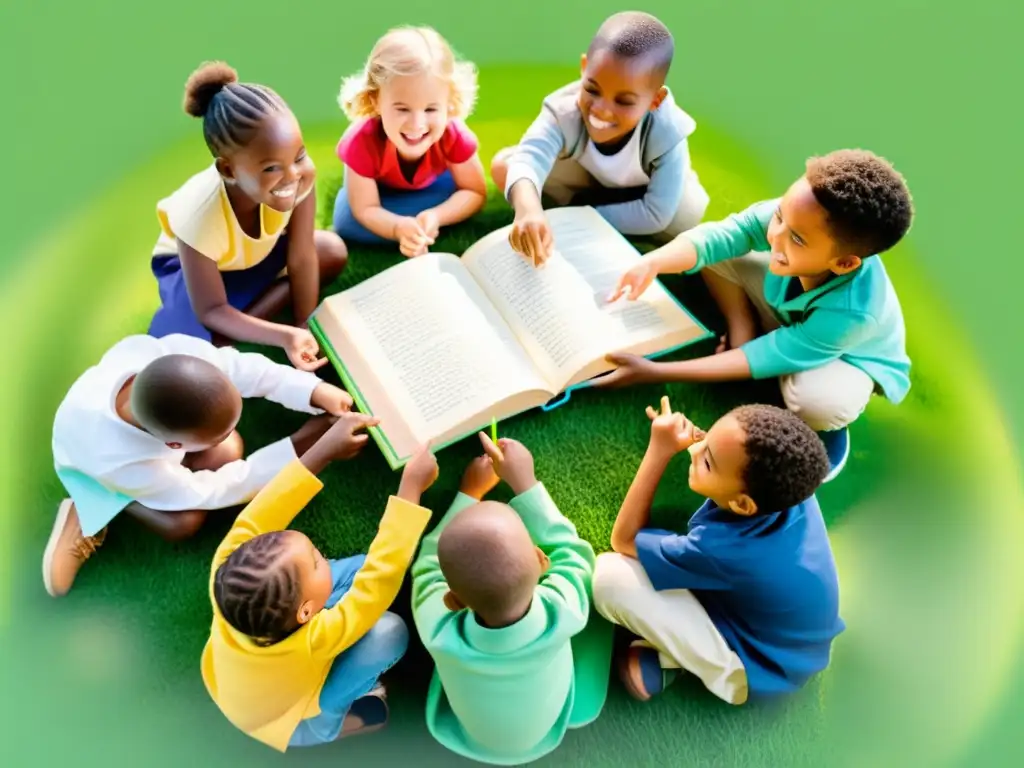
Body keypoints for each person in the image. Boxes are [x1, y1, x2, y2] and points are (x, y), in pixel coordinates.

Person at [600, 149, 915, 479]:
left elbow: (770, 355)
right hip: (794, 320)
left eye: (796, 238)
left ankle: (785, 370)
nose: (773, 234)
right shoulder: (798, 216)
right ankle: (742, 326)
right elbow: (720, 237)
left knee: (818, 403)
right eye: (779, 215)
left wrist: (655, 371)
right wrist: (653, 262)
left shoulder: (855, 314)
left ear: (845, 263)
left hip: (845, 355)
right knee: (717, 249)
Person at [44, 333, 355, 597]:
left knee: (229, 449)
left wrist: (313, 391)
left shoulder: (168, 354)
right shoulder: (120, 461)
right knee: (182, 523)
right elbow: (213, 490)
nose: (229, 430)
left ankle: (104, 500)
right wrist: (304, 447)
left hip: (143, 449)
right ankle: (94, 505)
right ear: (175, 445)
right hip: (93, 468)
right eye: (213, 435)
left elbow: (242, 368)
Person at [592, 397, 844, 704]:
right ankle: (680, 653)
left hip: (760, 665)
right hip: (783, 632)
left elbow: (625, 539)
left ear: (742, 504)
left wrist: (659, 450)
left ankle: (706, 667)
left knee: (610, 578)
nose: (696, 449)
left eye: (707, 462)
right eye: (707, 436)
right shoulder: (783, 488)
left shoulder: (724, 549)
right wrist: (706, 448)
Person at [202, 426, 439, 751]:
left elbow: (265, 509)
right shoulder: (315, 639)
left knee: (356, 568)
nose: (323, 555)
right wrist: (411, 489)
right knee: (388, 632)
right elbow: (378, 581)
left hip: (245, 682)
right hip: (290, 719)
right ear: (306, 612)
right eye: (316, 560)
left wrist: (324, 449)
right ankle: (334, 724)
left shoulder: (228, 566)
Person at [410, 433, 596, 765]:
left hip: (471, 734)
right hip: (545, 728)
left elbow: (426, 566)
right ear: (541, 560)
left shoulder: (436, 626)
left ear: (453, 600)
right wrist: (525, 483)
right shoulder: (566, 608)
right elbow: (573, 553)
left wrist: (469, 494)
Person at [147, 61, 347, 368]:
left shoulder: (296, 182)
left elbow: (303, 256)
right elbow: (211, 309)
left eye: (299, 156)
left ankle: (241, 325)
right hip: (194, 268)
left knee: (330, 251)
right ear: (228, 170)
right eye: (271, 168)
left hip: (252, 255)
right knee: (186, 352)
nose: (293, 175)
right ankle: (229, 335)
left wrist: (303, 325)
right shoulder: (197, 216)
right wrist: (282, 337)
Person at [492, 11, 709, 267]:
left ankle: (577, 214)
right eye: (592, 89)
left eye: (624, 101)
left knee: (684, 220)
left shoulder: (667, 132)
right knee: (505, 166)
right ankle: (561, 208)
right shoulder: (564, 110)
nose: (602, 110)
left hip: (649, 196)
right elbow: (529, 156)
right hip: (590, 180)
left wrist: (576, 217)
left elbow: (656, 213)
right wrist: (527, 208)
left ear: (655, 100)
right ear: (584, 68)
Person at [333, 26, 487, 257]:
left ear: (449, 102)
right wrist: (397, 228)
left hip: (434, 186)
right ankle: (411, 222)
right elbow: (365, 208)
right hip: (383, 193)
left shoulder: (453, 133)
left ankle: (422, 220)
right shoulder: (361, 141)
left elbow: (475, 191)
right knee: (347, 220)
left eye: (431, 109)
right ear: (375, 100)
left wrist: (436, 216)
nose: (417, 124)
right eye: (402, 109)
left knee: (459, 198)